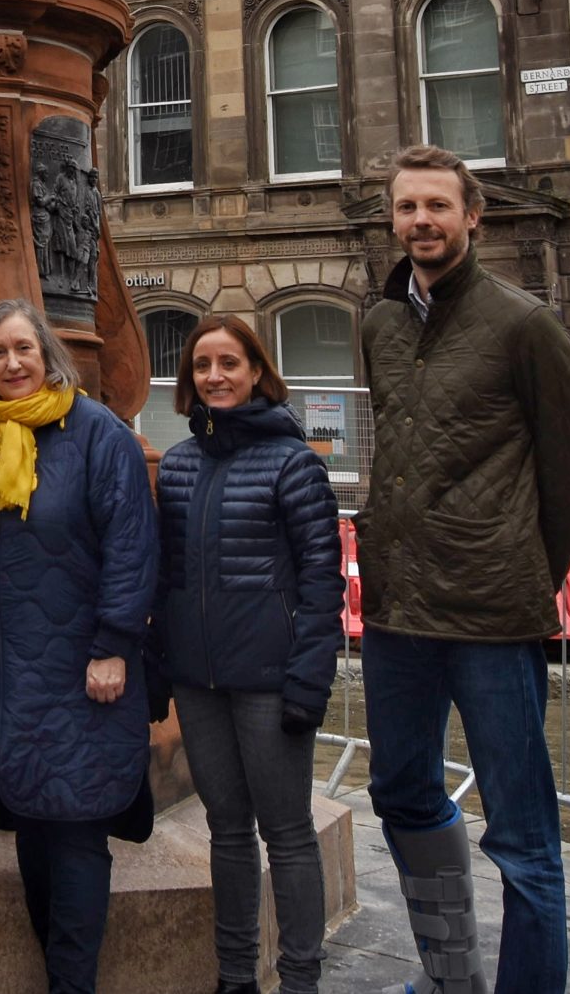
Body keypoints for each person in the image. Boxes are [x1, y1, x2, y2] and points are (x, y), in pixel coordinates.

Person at [357, 146, 570, 994]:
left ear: (473, 214)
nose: (419, 221)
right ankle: (451, 975)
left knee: (523, 835)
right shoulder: (380, 322)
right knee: (401, 792)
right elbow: (396, 449)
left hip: (493, 619)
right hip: (397, 613)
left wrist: (523, 565)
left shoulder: (524, 322)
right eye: (405, 208)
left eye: (436, 205)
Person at [0, 299, 156, 994]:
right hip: (2, 668)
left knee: (75, 832)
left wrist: (113, 643)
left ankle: (73, 984)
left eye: (22, 349)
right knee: (33, 827)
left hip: (80, 665)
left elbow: (131, 542)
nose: (11, 363)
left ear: (48, 355)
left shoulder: (99, 434)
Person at [148, 316, 342, 994]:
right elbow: (166, 575)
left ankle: (299, 979)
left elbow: (323, 580)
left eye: (229, 363)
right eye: (202, 365)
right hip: (200, 682)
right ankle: (235, 976)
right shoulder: (177, 464)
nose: (214, 376)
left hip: (270, 681)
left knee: (287, 833)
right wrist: (159, 666)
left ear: (257, 371)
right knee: (226, 830)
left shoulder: (294, 463)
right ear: (189, 380)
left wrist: (309, 681)